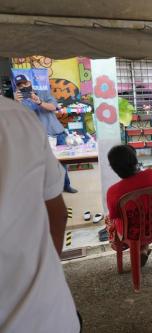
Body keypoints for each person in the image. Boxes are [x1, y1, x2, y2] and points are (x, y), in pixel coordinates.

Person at [0, 96, 80, 332]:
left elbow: (56, 216)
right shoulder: (16, 116)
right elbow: (58, 215)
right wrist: (46, 274)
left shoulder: (24, 112)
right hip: (49, 314)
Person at [105, 145, 152, 266]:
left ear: (114, 168)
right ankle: (143, 249)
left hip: (133, 232)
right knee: (145, 215)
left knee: (110, 219)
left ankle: (131, 248)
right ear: (135, 160)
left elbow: (115, 215)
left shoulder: (113, 191)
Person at [13, 74, 77, 193]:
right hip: (39, 137)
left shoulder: (43, 93)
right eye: (20, 85)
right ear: (17, 88)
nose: (23, 86)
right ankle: (50, 190)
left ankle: (66, 185)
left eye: (25, 83)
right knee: (43, 165)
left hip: (57, 132)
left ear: (30, 83)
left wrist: (38, 101)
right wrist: (16, 103)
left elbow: (53, 107)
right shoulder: (18, 100)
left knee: (62, 163)